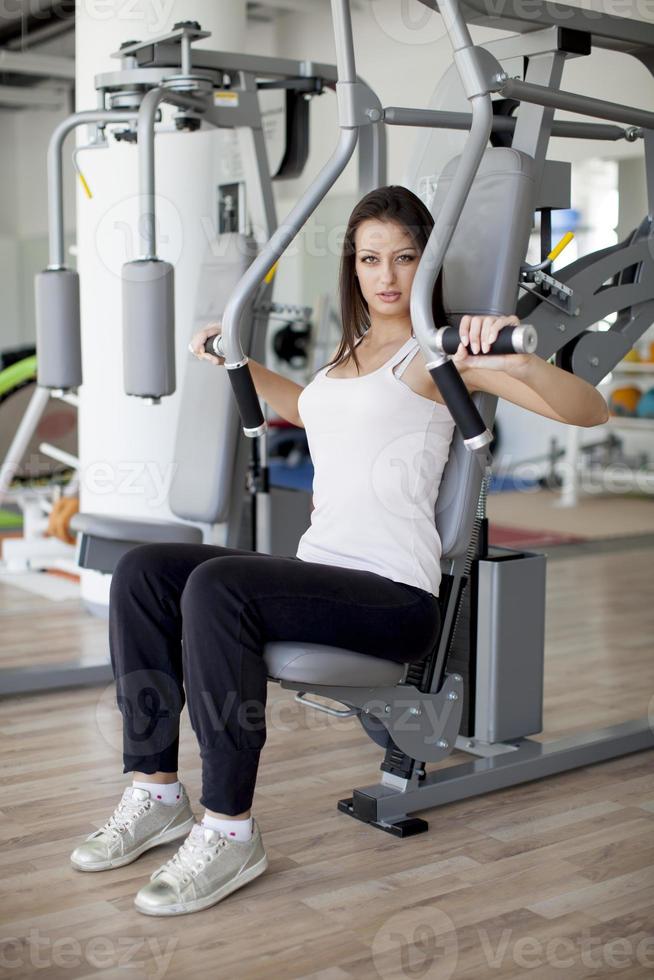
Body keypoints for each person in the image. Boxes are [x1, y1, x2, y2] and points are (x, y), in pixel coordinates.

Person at [69, 185, 609, 916]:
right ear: (352, 268)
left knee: (217, 586)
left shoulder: (436, 354)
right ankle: (154, 790)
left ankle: (229, 831)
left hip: (393, 598)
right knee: (146, 572)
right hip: (323, 576)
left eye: (405, 258)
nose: (386, 276)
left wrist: (511, 355)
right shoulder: (351, 354)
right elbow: (304, 408)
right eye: (369, 259)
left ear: (428, 265)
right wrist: (234, 361)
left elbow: (588, 410)